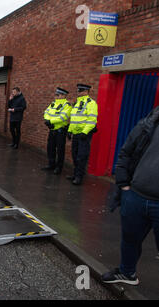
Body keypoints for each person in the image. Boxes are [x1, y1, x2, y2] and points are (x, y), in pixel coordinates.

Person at [102, 106, 159, 285]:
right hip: (136, 196)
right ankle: (128, 273)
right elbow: (126, 152)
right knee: (130, 238)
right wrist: (124, 184)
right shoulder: (150, 122)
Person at [67, 84, 98, 186]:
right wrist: (70, 130)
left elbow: (92, 119)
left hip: (84, 134)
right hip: (76, 134)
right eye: (78, 91)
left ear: (86, 91)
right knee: (75, 155)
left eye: (80, 91)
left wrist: (85, 132)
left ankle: (79, 177)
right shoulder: (77, 103)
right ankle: (75, 174)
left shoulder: (91, 103)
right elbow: (74, 119)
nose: (78, 93)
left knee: (81, 156)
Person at [41, 88, 72, 175]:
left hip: (60, 131)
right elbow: (46, 112)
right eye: (56, 95)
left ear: (64, 95)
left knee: (60, 150)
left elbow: (63, 117)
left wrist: (51, 121)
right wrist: (48, 121)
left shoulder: (67, 105)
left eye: (58, 95)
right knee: (50, 148)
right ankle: (51, 164)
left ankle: (59, 167)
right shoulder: (53, 103)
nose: (56, 96)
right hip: (52, 130)